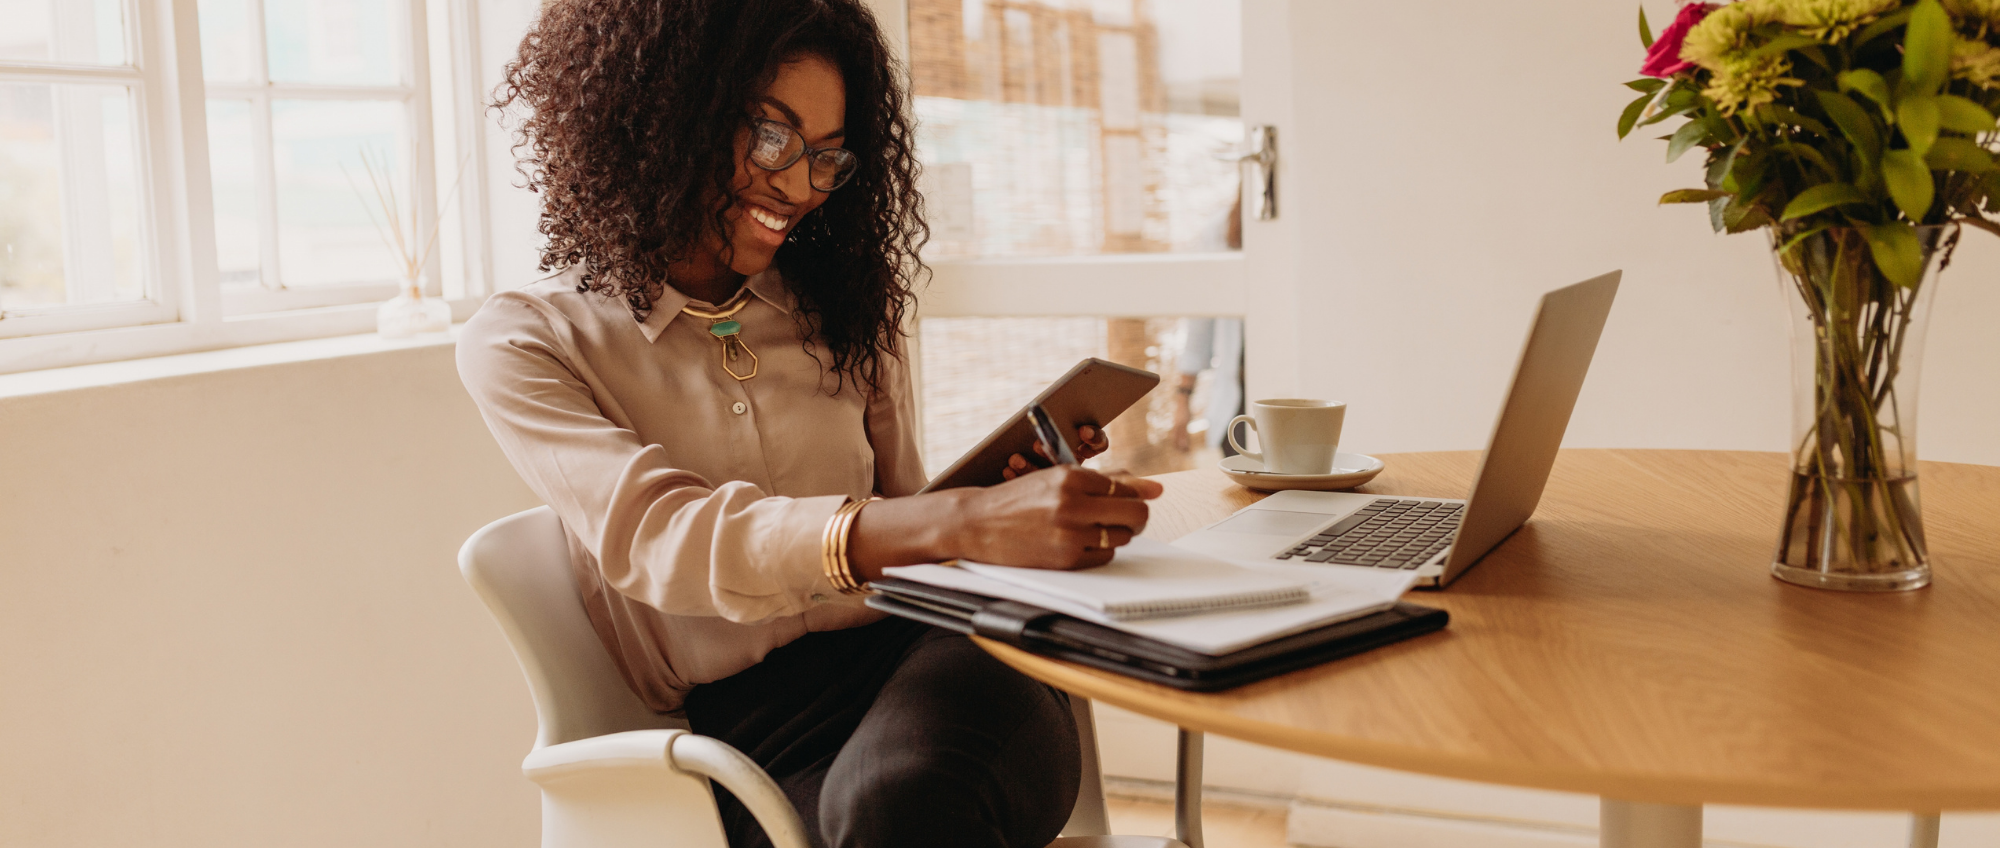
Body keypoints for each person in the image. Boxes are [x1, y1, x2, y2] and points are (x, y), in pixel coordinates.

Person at [457, 1, 1163, 846]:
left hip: (939, 658)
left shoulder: (845, 310)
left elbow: (910, 517)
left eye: (826, 158)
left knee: (900, 798)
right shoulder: (530, 340)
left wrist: (994, 501)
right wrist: (963, 517)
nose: (797, 186)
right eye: (771, 135)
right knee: (881, 815)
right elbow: (662, 537)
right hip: (744, 737)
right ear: (663, 108)